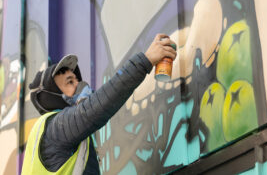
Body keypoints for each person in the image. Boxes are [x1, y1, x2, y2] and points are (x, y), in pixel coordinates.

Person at [21, 34, 177, 175]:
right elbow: (98, 106)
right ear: (51, 95)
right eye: (69, 82)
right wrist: (146, 60)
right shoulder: (55, 128)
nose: (79, 85)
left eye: (78, 80)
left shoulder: (67, 139)